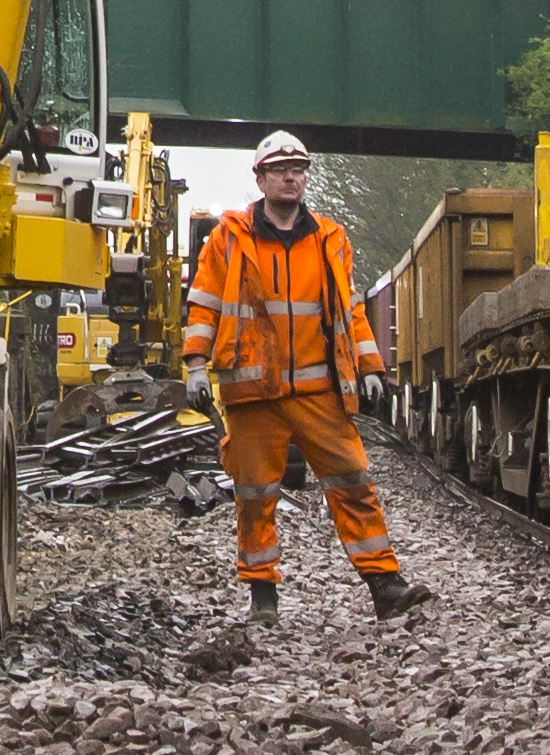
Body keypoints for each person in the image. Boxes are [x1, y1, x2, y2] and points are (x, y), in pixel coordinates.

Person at [179, 130, 430, 620]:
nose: (291, 178)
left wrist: (371, 365)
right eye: (280, 170)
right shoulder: (229, 237)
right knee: (255, 496)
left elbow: (350, 310)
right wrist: (193, 364)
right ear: (261, 178)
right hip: (251, 391)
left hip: (318, 390)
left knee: (353, 481)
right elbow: (204, 304)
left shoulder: (330, 239)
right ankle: (263, 596)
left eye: (298, 170)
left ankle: (385, 586)